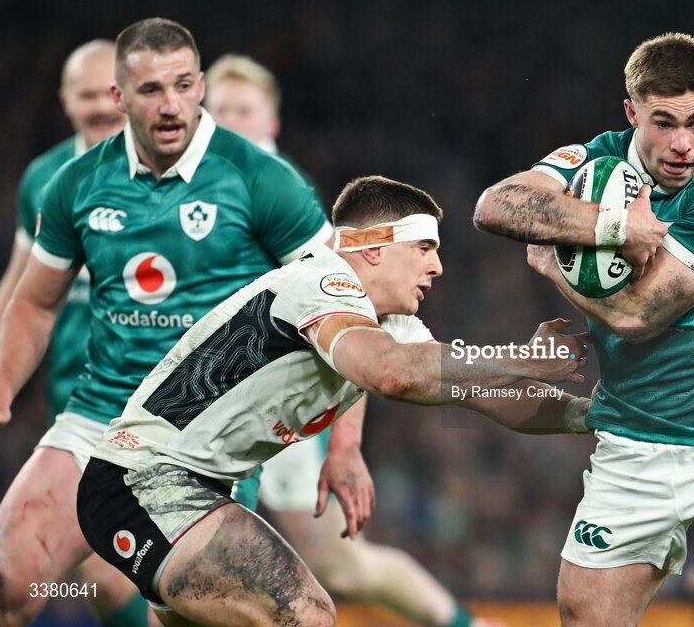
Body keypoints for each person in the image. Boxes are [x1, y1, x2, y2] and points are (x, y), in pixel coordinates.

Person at [0, 18, 369, 627]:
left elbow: (349, 308)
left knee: (196, 614)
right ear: (119, 97)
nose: (170, 105)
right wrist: (1, 386)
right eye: (151, 90)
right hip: (96, 420)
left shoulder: (261, 180)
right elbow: (35, 300)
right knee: (3, 587)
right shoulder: (74, 184)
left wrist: (344, 449)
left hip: (201, 442)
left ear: (201, 86)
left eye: (183, 86)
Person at [75, 175, 592, 627]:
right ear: (372, 247)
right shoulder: (322, 281)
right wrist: (521, 357)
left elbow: (491, 393)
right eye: (424, 248)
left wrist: (590, 416)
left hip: (190, 487)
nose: (437, 267)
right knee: (305, 614)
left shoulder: (393, 327)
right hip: (146, 481)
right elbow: (386, 373)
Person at [474, 32, 694, 627]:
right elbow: (496, 206)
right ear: (632, 112)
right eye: (663, 122)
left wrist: (556, 267)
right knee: (585, 618)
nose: (683, 144)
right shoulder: (595, 163)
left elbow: (637, 316)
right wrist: (611, 223)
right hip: (631, 446)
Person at [204, 53, 498, 627]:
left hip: (277, 401)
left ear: (272, 124)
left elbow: (357, 315)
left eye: (246, 110)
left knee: (335, 565)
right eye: (221, 111)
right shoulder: (183, 194)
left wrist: (344, 446)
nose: (233, 122)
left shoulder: (281, 201)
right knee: (195, 557)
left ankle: (466, 623)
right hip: (215, 404)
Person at [0, 39, 152, 627]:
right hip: (77, 404)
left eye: (113, 95)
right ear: (65, 102)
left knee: (131, 563)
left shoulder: (166, 175)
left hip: (158, 399)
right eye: (88, 97)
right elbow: (21, 285)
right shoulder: (45, 178)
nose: (104, 109)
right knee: (94, 574)